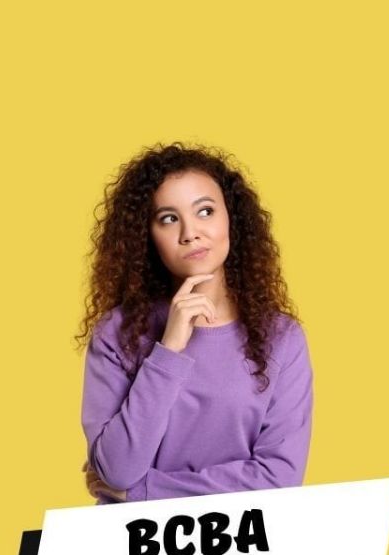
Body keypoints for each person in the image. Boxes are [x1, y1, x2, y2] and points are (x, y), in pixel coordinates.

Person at [76, 143, 313, 503]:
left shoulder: (281, 338)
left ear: (231, 218)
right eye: (168, 218)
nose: (190, 233)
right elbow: (116, 470)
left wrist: (142, 492)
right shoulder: (117, 333)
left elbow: (278, 479)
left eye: (205, 211)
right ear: (147, 235)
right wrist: (168, 350)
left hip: (244, 547)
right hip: (130, 550)